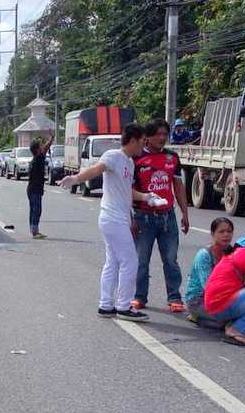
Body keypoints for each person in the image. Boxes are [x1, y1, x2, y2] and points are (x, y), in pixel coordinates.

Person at [59, 123, 165, 321]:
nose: (144, 145)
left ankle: (106, 305)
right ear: (133, 140)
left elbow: (126, 191)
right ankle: (124, 306)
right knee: (130, 261)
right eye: (142, 141)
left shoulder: (130, 162)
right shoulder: (113, 156)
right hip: (112, 218)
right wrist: (75, 179)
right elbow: (95, 170)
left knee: (113, 263)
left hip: (120, 219)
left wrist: (147, 197)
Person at [131, 118, 190, 313]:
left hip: (168, 218)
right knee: (141, 260)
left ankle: (174, 297)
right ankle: (139, 297)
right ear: (147, 137)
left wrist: (185, 213)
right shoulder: (136, 159)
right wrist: (131, 218)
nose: (162, 138)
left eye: (165, 134)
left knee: (171, 259)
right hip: (143, 217)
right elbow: (128, 190)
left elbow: (178, 187)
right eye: (158, 134)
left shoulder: (172, 158)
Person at [184, 218, 234, 327]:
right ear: (212, 233)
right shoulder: (204, 255)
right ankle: (197, 317)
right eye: (221, 232)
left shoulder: (231, 251)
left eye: (229, 231)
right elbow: (208, 286)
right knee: (229, 321)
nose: (226, 235)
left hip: (222, 297)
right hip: (199, 300)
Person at [27, 133, 54, 239]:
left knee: (33, 209)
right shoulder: (37, 160)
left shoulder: (37, 158)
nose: (42, 147)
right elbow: (46, 148)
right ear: (37, 150)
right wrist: (51, 138)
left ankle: (33, 229)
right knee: (36, 210)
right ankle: (34, 231)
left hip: (33, 189)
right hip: (34, 189)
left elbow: (46, 148)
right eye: (40, 146)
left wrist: (51, 138)